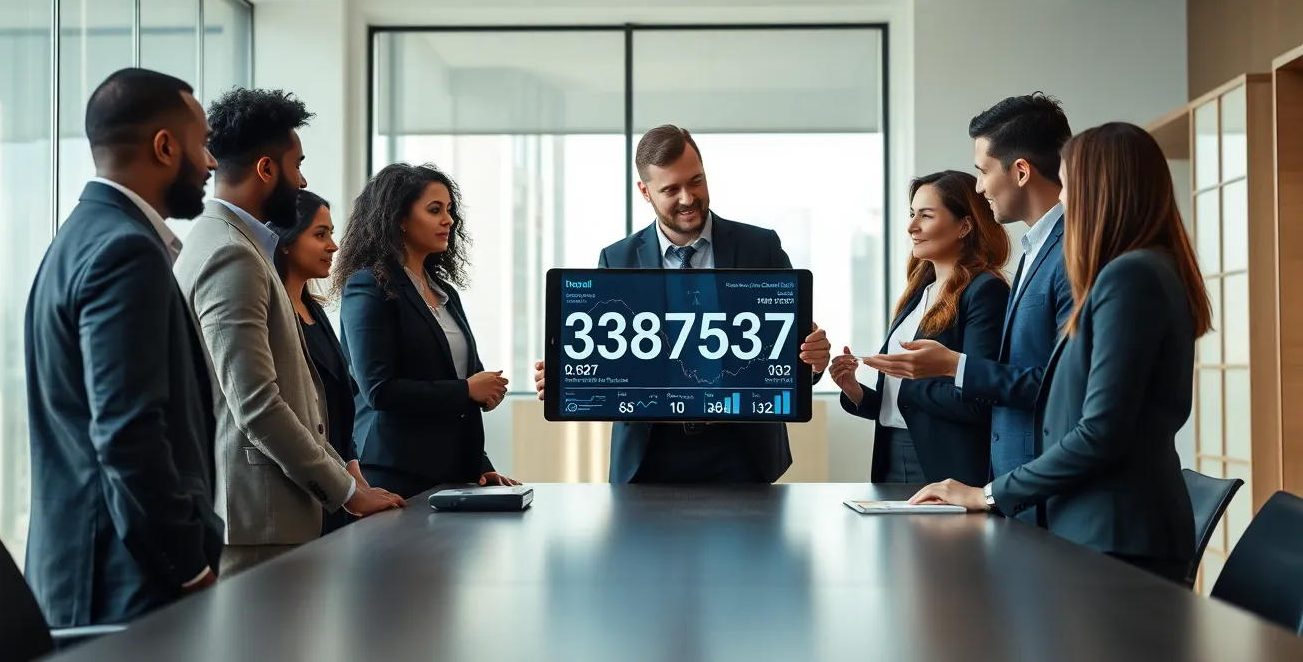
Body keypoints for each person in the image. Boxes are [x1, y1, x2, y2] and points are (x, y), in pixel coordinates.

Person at [910, 122, 1208, 584]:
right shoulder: (1138, 270)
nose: (1063, 200)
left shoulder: (1131, 277)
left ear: (1100, 191)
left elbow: (1100, 431)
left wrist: (987, 494)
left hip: (1115, 534)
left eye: (1068, 185)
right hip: (1099, 529)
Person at [175, 88, 402, 576]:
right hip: (259, 522)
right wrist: (347, 493)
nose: (302, 180)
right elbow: (256, 403)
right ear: (266, 169)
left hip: (269, 514)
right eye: (297, 165)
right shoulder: (230, 253)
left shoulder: (227, 242)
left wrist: (346, 476)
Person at [24, 68, 222, 626]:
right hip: (124, 581)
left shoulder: (76, 238)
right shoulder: (125, 251)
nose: (209, 162)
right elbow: (129, 434)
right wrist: (188, 565)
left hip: (92, 570)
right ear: (165, 147)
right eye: (201, 144)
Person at [534, 125, 832, 484]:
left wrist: (812, 362)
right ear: (645, 192)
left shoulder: (760, 246)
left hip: (742, 450)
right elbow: (611, 361)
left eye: (696, 181)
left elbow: (789, 350)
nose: (688, 198)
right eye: (671, 189)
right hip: (650, 453)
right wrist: (569, 379)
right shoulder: (617, 258)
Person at [860, 94, 1073, 494]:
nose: (980, 186)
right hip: (1000, 479)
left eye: (983, 171)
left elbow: (1057, 386)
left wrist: (945, 368)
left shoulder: (1060, 257)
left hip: (995, 475)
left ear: (1021, 171)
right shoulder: (1033, 252)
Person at [332, 163, 518, 501]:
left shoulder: (445, 292)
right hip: (394, 472)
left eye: (449, 210)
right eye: (435, 210)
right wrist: (466, 390)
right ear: (399, 218)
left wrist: (480, 463)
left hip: (454, 473)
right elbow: (379, 391)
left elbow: (461, 383)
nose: (448, 220)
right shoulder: (368, 286)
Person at [828, 171, 1009, 486]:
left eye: (926, 215)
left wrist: (912, 377)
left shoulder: (984, 291)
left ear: (964, 226)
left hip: (946, 467)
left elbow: (982, 397)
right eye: (912, 214)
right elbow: (901, 401)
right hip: (892, 457)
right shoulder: (918, 292)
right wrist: (855, 391)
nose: (911, 227)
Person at [269, 190, 379, 534]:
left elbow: (338, 400)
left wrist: (354, 474)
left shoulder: (315, 310)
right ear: (285, 241)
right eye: (320, 234)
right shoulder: (274, 312)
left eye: (331, 234)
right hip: (298, 488)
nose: (333, 246)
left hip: (336, 486)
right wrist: (346, 488)